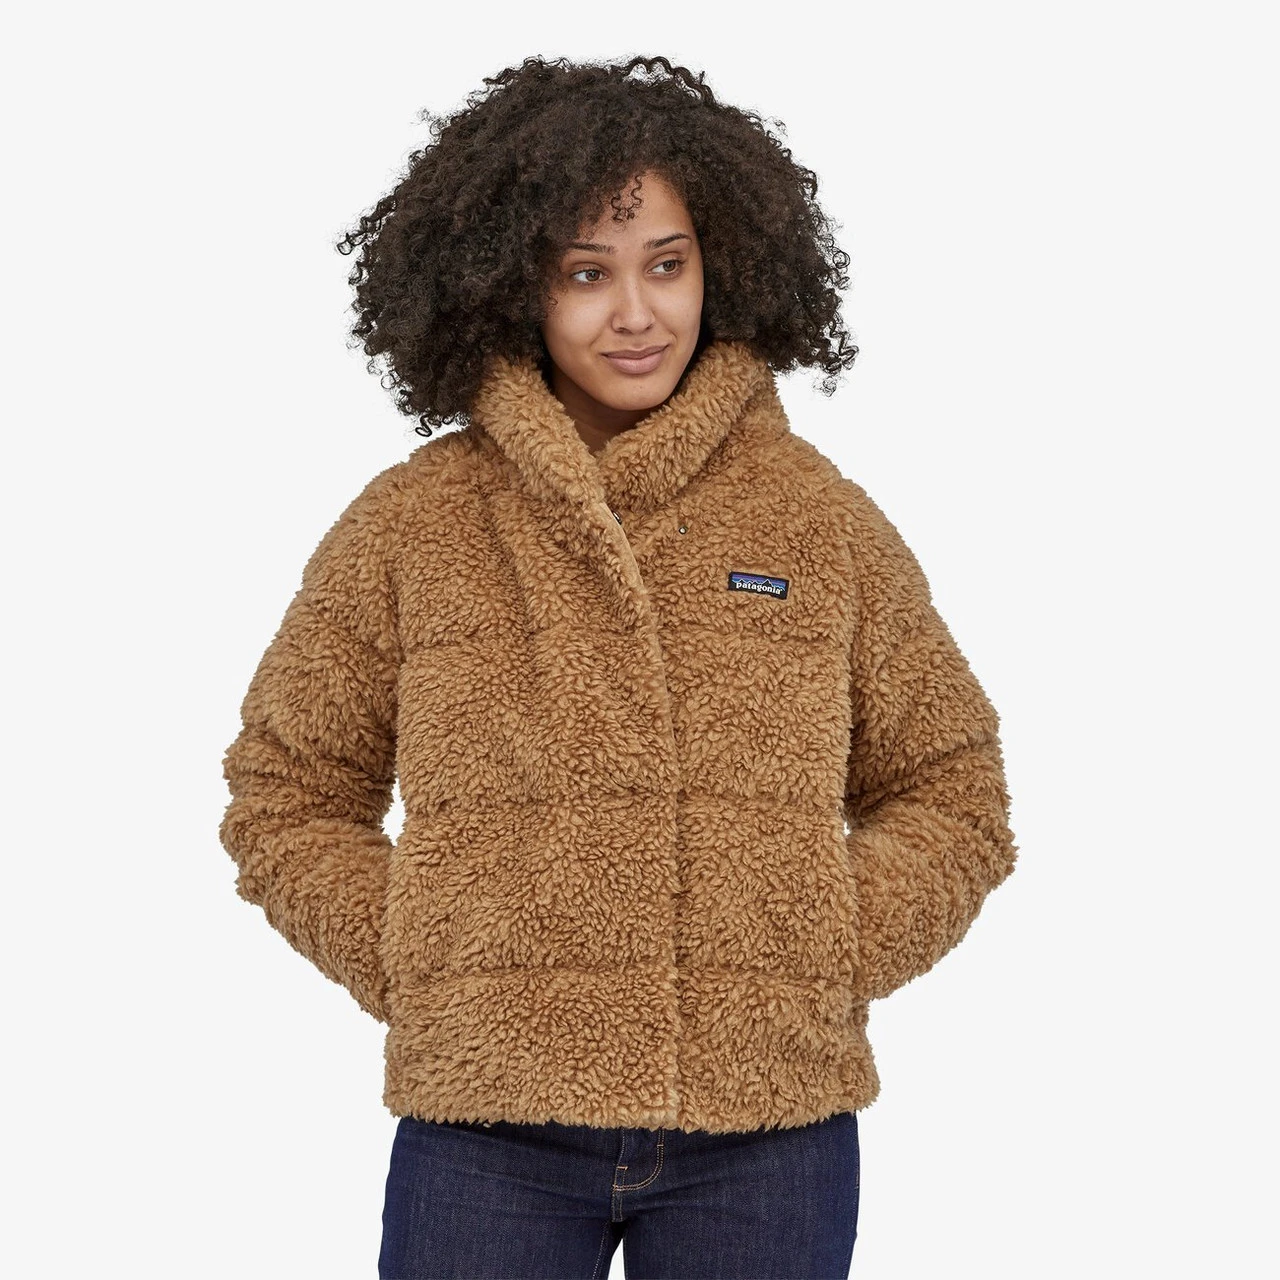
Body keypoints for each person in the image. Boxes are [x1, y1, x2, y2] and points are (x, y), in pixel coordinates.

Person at [218, 53, 1018, 1280]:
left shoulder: (819, 521)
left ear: (720, 266)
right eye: (585, 272)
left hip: (765, 1128)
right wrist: (433, 958)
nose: (635, 313)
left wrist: (815, 943)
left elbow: (952, 786)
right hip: (486, 1126)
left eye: (666, 263)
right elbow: (285, 789)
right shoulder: (412, 523)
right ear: (509, 287)